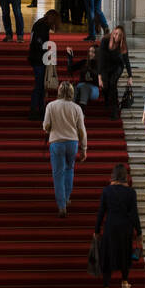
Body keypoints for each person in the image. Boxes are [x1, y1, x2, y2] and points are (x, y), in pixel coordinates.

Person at [95, 163, 141, 288]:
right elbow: (134, 214)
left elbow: (101, 212)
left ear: (113, 175)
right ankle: (124, 283)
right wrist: (138, 231)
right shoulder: (131, 193)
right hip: (125, 228)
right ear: (125, 176)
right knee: (125, 254)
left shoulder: (107, 191)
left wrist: (97, 230)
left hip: (110, 227)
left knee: (108, 257)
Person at [43, 82, 87, 218]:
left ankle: (61, 206)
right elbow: (81, 129)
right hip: (72, 142)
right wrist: (83, 148)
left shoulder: (51, 106)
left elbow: (46, 126)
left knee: (58, 174)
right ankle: (67, 198)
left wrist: (51, 128)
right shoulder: (76, 108)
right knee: (69, 169)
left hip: (56, 142)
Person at [28, 8, 61, 120]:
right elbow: (39, 43)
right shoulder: (42, 26)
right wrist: (47, 53)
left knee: (40, 86)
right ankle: (35, 110)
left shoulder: (40, 24)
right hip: (38, 60)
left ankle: (39, 109)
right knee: (39, 86)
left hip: (36, 58)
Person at [96, 26, 133, 121]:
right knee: (105, 86)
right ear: (113, 33)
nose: (117, 36)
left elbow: (126, 60)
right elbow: (101, 59)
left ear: (122, 37)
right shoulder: (105, 41)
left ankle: (115, 111)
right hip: (105, 66)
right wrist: (99, 76)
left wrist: (130, 76)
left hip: (117, 66)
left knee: (113, 84)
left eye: (120, 35)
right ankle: (108, 101)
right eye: (115, 33)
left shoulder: (123, 45)